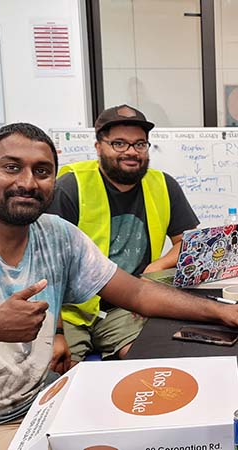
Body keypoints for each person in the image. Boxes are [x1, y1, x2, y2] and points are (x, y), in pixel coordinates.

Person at [0, 123, 238, 450]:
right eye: (12, 167)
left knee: (175, 421)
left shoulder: (56, 235)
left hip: (40, 403)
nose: (27, 182)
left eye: (42, 171)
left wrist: (223, 311)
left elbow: (136, 292)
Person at [48, 104, 199, 362]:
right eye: (119, 144)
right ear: (99, 147)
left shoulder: (163, 184)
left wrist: (156, 267)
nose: (131, 152)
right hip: (70, 310)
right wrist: (57, 332)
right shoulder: (70, 187)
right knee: (62, 373)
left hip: (127, 305)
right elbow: (47, 266)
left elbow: (187, 242)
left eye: (139, 144)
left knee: (150, 361)